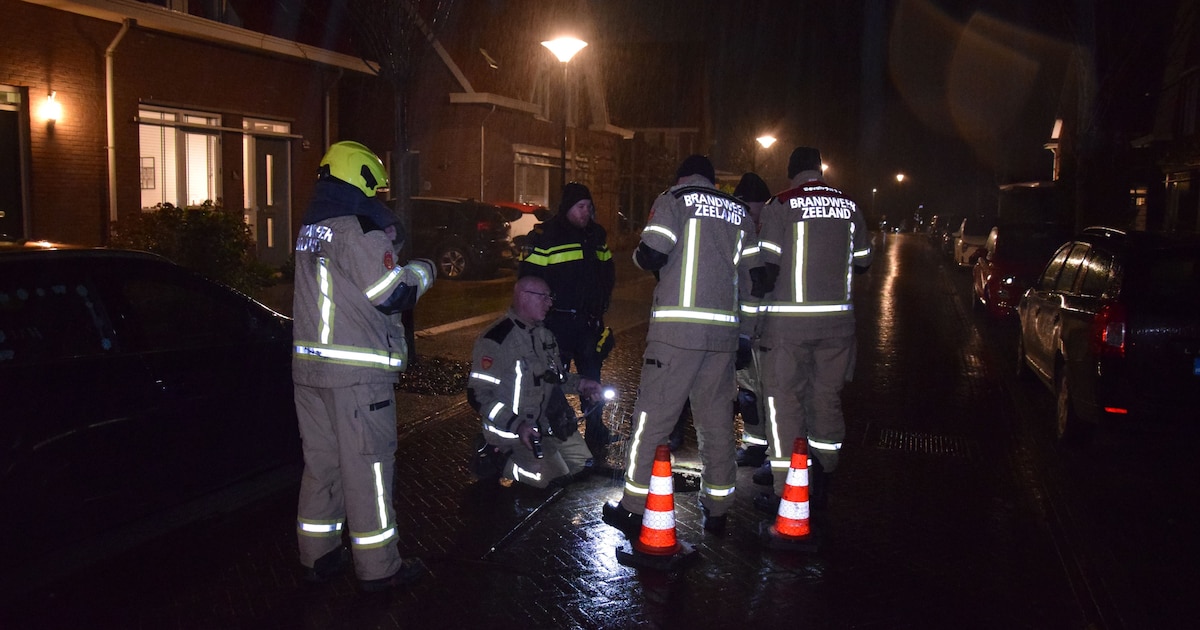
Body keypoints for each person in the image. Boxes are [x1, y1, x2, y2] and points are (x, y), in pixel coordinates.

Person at [292, 141, 436, 593]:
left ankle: (317, 556)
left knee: (322, 465)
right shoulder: (359, 228)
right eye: (376, 187)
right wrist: (425, 270)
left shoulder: (312, 227)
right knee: (368, 469)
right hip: (357, 378)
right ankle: (379, 568)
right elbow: (393, 294)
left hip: (311, 374)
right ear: (363, 177)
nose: (379, 198)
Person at [601, 155, 758, 536]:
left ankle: (634, 506)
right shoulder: (739, 213)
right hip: (721, 339)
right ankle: (718, 506)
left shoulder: (675, 198)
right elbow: (754, 279)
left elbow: (653, 251)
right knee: (717, 423)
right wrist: (744, 335)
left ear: (683, 177)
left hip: (675, 336)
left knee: (652, 422)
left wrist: (641, 258)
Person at [751, 146, 873, 513]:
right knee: (825, 399)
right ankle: (824, 478)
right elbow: (864, 263)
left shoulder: (781, 205)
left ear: (792, 172)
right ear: (819, 170)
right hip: (837, 329)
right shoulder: (850, 207)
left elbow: (767, 268)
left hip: (788, 329)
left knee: (784, 404)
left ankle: (787, 490)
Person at [467, 275, 602, 489]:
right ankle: (494, 458)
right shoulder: (495, 340)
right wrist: (517, 425)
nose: (549, 303)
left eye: (550, 298)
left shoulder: (544, 336)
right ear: (523, 297)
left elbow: (556, 378)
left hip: (544, 425)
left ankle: (542, 459)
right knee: (549, 480)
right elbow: (478, 396)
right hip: (511, 432)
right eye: (544, 297)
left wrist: (583, 384)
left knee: (583, 464)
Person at [518, 182, 616, 455]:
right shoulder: (547, 235)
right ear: (567, 208)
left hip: (587, 324)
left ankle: (597, 429)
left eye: (588, 207)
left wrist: (600, 305)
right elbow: (528, 278)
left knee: (592, 379)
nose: (586, 213)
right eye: (580, 207)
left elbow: (607, 272)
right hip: (556, 325)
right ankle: (555, 434)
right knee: (553, 381)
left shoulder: (596, 235)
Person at [729, 173, 772, 469]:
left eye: (758, 211)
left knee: (772, 393)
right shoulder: (736, 229)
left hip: (769, 330)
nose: (753, 217)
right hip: (742, 328)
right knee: (747, 394)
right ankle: (754, 445)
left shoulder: (772, 231)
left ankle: (774, 451)